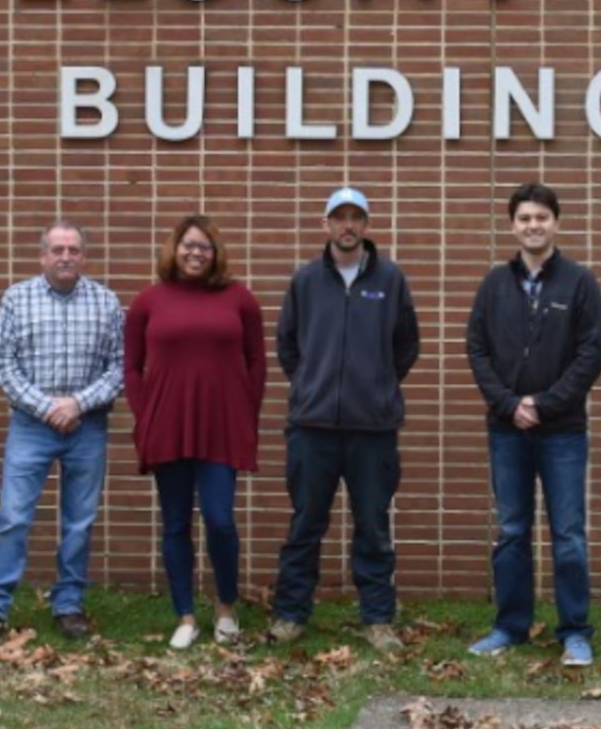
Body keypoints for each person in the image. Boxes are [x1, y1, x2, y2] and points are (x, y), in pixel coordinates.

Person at [268, 187, 421, 653]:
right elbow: (288, 347)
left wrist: (374, 388)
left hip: (371, 431)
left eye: (356, 217)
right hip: (312, 429)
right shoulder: (306, 280)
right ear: (326, 224)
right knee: (305, 524)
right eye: (340, 217)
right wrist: (313, 387)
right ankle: (291, 613)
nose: (348, 226)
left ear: (367, 226)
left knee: (373, 527)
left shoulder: (390, 280)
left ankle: (377, 618)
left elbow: (406, 347)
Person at [463, 183, 601, 667]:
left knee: (567, 534)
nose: (533, 225)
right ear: (512, 226)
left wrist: (543, 404)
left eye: (541, 217)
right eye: (524, 218)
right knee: (512, 530)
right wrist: (510, 404)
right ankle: (510, 626)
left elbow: (593, 354)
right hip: (507, 429)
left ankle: (575, 631)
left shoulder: (580, 282)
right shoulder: (494, 284)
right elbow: (477, 349)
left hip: (562, 429)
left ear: (555, 224)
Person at [0, 221, 125, 643]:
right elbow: (4, 365)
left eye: (73, 249)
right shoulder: (16, 299)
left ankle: (69, 606)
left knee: (79, 522)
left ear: (84, 256)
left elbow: (120, 366)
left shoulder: (106, 301)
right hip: (30, 425)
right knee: (13, 518)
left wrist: (77, 404)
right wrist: (47, 407)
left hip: (87, 425)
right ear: (42, 256)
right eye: (57, 249)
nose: (65, 257)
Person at [124, 214, 267, 649]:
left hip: (222, 426)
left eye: (204, 246)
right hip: (167, 425)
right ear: (174, 249)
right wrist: (145, 415)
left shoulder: (239, 299)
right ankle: (185, 615)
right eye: (188, 244)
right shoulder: (148, 302)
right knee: (175, 524)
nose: (195, 252)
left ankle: (226, 607)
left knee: (221, 521)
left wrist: (247, 413)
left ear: (215, 253)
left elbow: (257, 361)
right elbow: (131, 366)